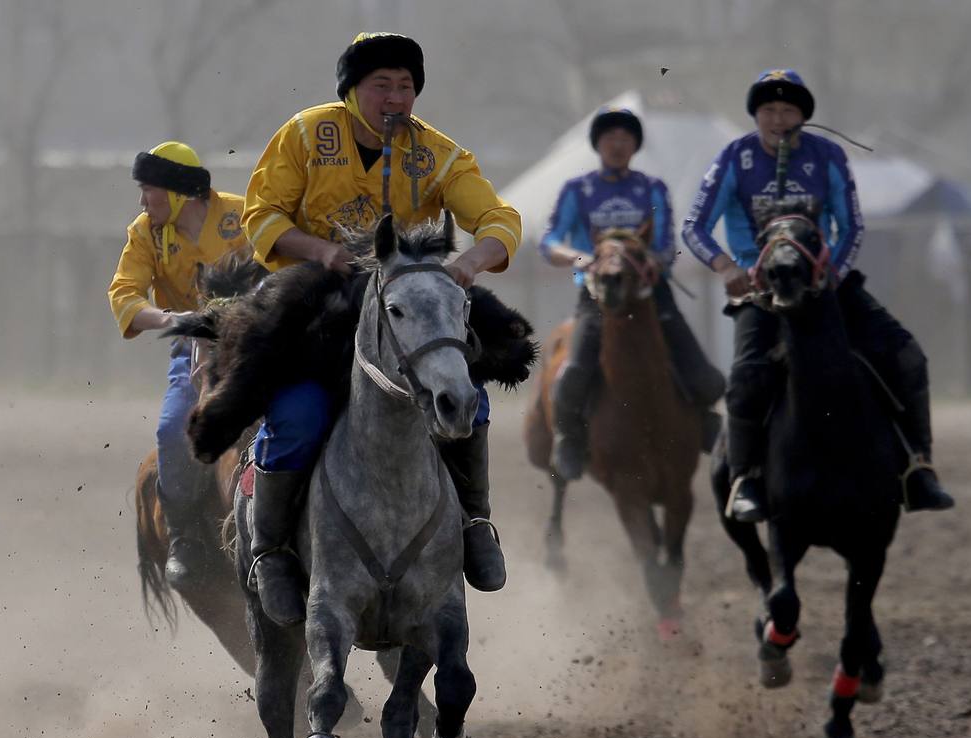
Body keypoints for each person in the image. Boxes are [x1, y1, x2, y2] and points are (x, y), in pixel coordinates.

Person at [241, 31, 523, 624]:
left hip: (405, 305)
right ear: (351, 91)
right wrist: (320, 251)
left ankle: (474, 522)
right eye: (381, 85)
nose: (396, 97)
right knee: (297, 416)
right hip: (318, 301)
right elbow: (261, 215)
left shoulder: (439, 154)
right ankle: (269, 551)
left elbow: (498, 218)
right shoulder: (305, 135)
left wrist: (470, 262)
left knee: (466, 401)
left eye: (406, 86)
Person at [682, 69, 954, 521]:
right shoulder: (734, 158)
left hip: (824, 284)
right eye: (769, 110)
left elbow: (852, 225)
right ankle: (746, 478)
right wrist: (727, 266)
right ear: (756, 116)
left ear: (803, 117)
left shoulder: (827, 156)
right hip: (761, 291)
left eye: (788, 110)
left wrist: (833, 273)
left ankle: (918, 468)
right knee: (748, 378)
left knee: (907, 356)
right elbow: (693, 226)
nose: (778, 118)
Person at [540, 105, 725, 479]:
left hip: (649, 295)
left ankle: (705, 425)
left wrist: (653, 262)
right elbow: (551, 240)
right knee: (573, 375)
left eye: (626, 137)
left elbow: (665, 244)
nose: (618, 143)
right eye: (610, 136)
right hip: (596, 297)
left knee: (704, 376)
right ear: (597, 143)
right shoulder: (578, 190)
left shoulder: (652, 188)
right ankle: (569, 439)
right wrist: (580, 257)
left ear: (635, 145)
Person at [108, 141, 251, 589]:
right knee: (174, 430)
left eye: (148, 189)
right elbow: (124, 296)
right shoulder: (145, 233)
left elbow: (279, 262)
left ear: (177, 192)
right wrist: (172, 319)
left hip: (260, 342)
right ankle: (185, 533)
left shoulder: (242, 214)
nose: (142, 201)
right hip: (190, 346)